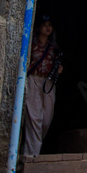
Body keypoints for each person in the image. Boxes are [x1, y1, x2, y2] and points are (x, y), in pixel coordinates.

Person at [22, 14, 62, 156]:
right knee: (34, 117)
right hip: (34, 79)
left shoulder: (54, 48)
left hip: (48, 82)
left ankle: (35, 147)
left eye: (50, 25)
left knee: (46, 119)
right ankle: (31, 155)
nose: (48, 28)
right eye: (45, 25)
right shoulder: (31, 45)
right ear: (38, 28)